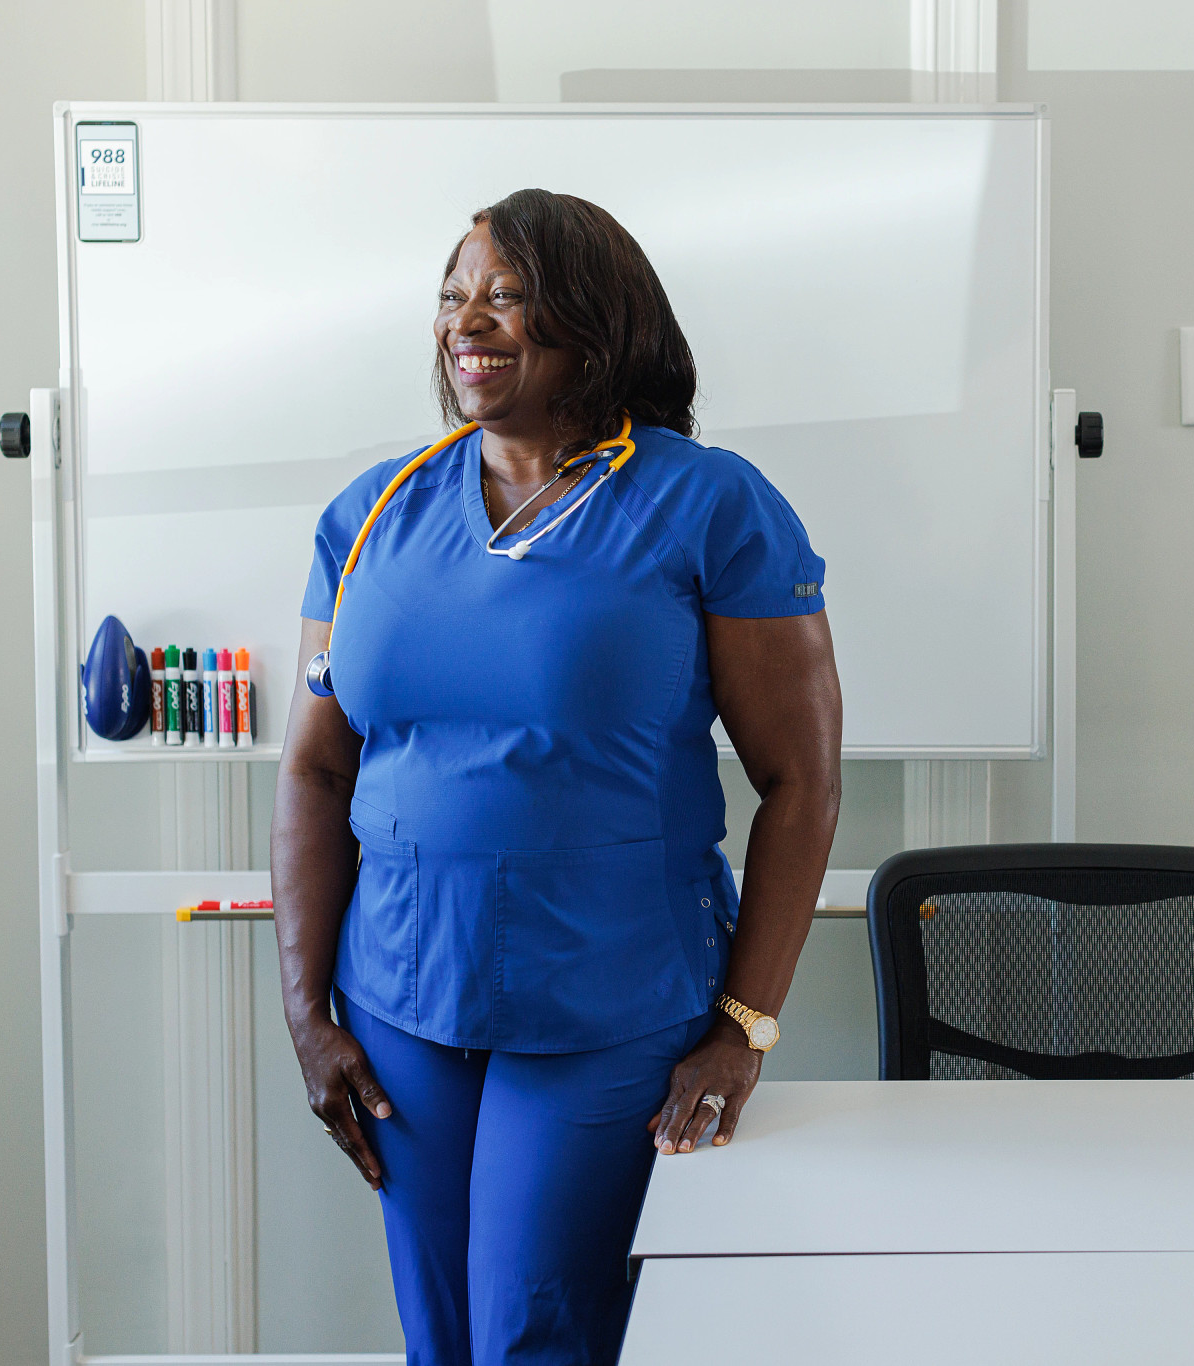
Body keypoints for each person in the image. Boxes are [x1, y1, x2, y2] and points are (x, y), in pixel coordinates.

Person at [271, 188, 842, 1365]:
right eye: (451, 298)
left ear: (594, 319)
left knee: (536, 1329)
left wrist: (742, 1027)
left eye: (506, 296)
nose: (466, 323)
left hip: (607, 1003)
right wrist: (305, 1008)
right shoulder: (372, 510)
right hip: (402, 998)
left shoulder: (704, 505)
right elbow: (317, 770)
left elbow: (802, 780)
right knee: (442, 1337)